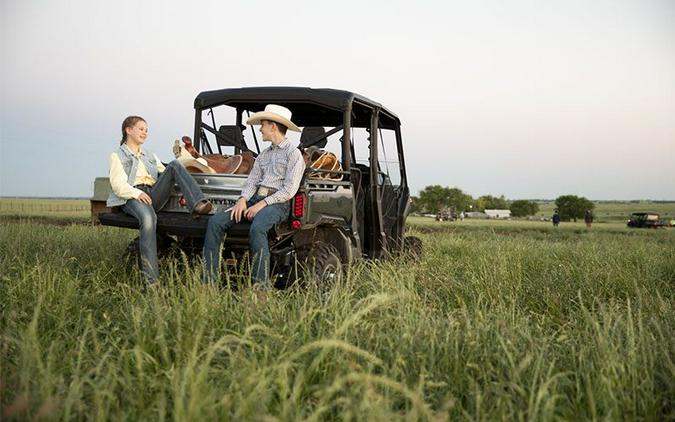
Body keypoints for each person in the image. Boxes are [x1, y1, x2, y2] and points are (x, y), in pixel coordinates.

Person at [203, 104, 305, 289]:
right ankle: (208, 283)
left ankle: (261, 288)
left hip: (278, 203)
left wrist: (261, 205)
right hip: (255, 199)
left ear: (273, 126)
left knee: (257, 229)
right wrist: (242, 200)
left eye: (263, 124)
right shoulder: (264, 155)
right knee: (215, 222)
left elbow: (289, 190)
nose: (260, 128)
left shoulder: (294, 154)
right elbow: (252, 181)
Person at [107, 116, 213, 285]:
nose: (145, 133)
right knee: (149, 219)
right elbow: (118, 185)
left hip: (152, 192)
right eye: (141, 129)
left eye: (146, 130)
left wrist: (193, 162)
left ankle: (198, 204)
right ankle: (152, 282)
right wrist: (136, 193)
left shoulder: (149, 155)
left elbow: (165, 172)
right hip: (131, 195)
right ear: (128, 130)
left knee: (175, 165)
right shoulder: (117, 155)